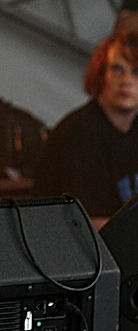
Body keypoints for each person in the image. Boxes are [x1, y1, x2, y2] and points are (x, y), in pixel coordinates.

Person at [34, 29, 138, 227]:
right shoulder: (79, 132)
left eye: (136, 72)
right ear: (101, 74)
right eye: (117, 69)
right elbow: (90, 227)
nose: (126, 81)